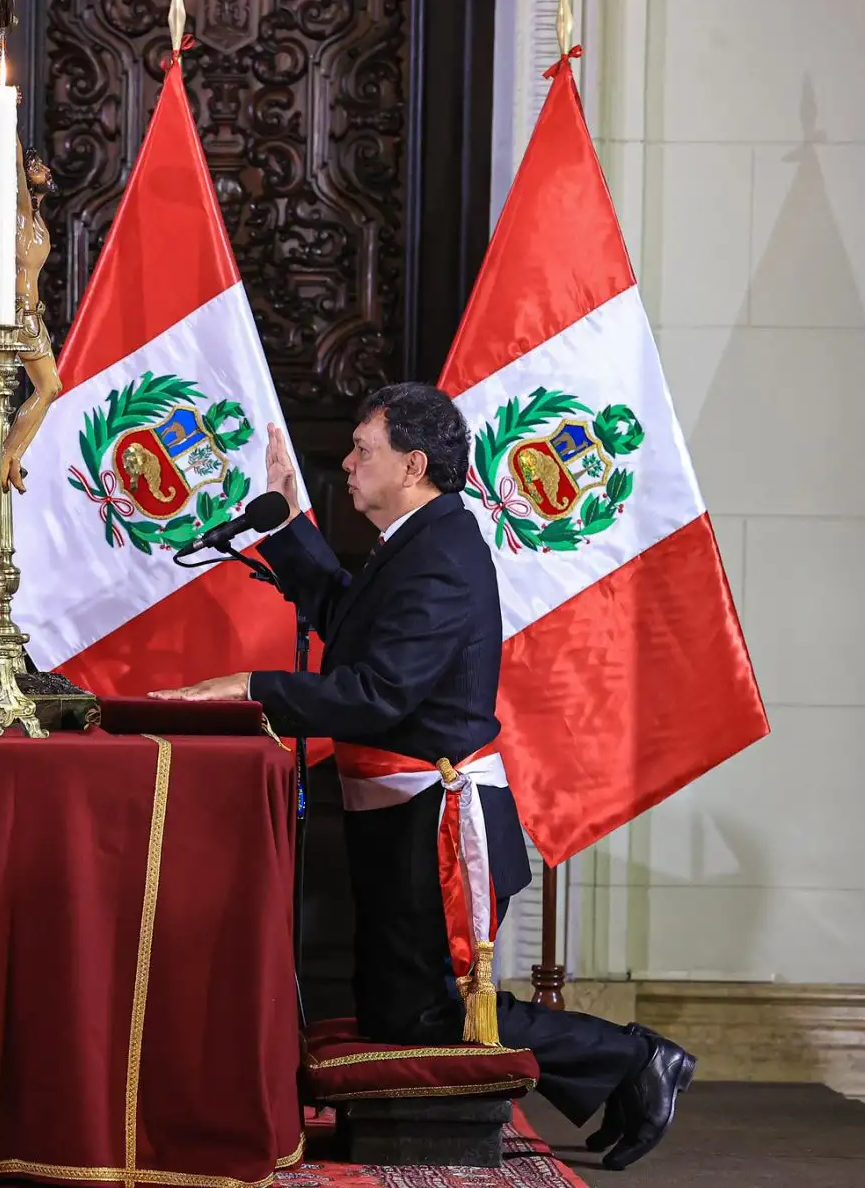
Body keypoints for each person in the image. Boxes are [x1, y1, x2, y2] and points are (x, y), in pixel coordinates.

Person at [151, 382, 695, 1171]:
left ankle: (634, 1062)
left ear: (413, 464)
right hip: (397, 816)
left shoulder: (441, 552)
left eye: (361, 449)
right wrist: (288, 521)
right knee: (394, 1009)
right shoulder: (418, 540)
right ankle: (621, 1072)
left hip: (437, 824)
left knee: (436, 1015)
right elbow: (351, 626)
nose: (346, 462)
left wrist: (254, 686)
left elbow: (381, 691)